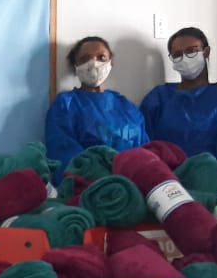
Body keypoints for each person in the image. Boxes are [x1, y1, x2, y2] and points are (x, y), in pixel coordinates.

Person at [139, 26, 217, 179]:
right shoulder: (159, 98)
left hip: (212, 184)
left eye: (192, 51)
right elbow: (144, 147)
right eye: (177, 54)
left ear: (206, 52)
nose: (185, 58)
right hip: (165, 184)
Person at [44, 36, 148, 181]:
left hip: (135, 181)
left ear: (110, 61)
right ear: (75, 65)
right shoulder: (65, 105)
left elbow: (146, 152)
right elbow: (63, 153)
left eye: (101, 57)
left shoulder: (127, 107)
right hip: (90, 185)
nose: (93, 64)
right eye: (85, 58)